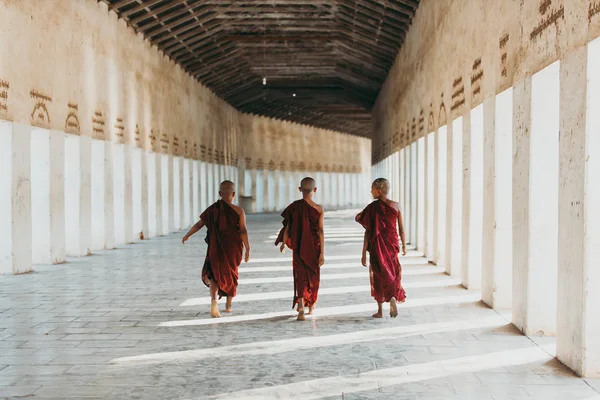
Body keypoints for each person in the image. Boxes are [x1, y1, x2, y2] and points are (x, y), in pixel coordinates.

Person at [182, 180, 250, 318]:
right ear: (234, 194)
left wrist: (187, 235)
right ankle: (228, 306)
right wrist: (248, 248)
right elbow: (243, 230)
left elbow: (200, 224)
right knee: (232, 273)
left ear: (219, 194)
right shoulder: (239, 211)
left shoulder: (213, 209)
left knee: (213, 274)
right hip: (233, 248)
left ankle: (214, 301)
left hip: (215, 247)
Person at [356, 178, 407, 319]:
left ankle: (380, 310)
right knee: (392, 271)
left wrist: (363, 252)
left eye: (372, 188)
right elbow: (401, 228)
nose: (370, 191)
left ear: (378, 191)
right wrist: (403, 244)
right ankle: (392, 297)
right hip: (392, 244)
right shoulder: (396, 206)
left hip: (377, 246)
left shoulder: (372, 208)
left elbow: (368, 231)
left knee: (378, 275)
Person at [275, 177, 325, 321]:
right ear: (315, 190)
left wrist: (284, 243)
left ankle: (301, 305)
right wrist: (322, 253)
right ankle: (311, 306)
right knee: (313, 276)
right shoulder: (319, 209)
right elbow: (321, 231)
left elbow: (287, 228)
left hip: (298, 248)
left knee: (300, 277)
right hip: (314, 248)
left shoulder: (294, 207)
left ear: (300, 189)